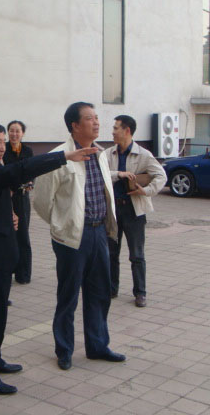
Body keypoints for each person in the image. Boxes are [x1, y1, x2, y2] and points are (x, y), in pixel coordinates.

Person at [0, 122, 96, 394]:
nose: (2, 147)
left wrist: (8, 213)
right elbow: (20, 170)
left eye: (3, 142)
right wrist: (63, 157)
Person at [33, 102, 125, 370]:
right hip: (72, 237)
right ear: (74, 125)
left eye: (96, 117)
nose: (96, 122)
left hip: (99, 232)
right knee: (69, 295)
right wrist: (62, 225)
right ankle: (64, 349)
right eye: (89, 118)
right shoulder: (58, 157)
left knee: (99, 293)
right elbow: (41, 201)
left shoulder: (99, 153)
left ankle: (98, 346)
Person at [106, 115, 167, 305]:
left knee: (137, 255)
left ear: (127, 131)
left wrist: (146, 191)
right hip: (112, 210)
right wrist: (119, 174)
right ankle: (111, 289)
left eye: (116, 128)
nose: (112, 132)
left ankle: (140, 293)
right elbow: (101, 173)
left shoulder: (143, 155)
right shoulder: (108, 153)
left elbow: (161, 176)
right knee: (111, 253)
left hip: (134, 211)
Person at [3, 120, 34, 284]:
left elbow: (32, 171)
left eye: (17, 131)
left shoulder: (28, 151)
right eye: (11, 131)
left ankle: (23, 274)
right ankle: (7, 270)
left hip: (22, 197)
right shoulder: (3, 149)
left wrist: (30, 183)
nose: (14, 134)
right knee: (8, 234)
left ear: (23, 133)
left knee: (23, 235)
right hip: (6, 197)